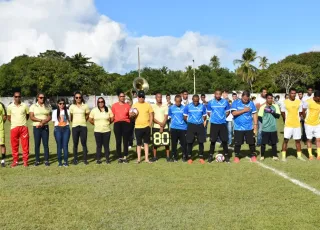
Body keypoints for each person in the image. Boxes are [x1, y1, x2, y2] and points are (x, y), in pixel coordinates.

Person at [231, 91, 258, 163]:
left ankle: (253, 155)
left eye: (247, 99)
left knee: (251, 142)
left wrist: (255, 125)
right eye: (244, 99)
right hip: (238, 128)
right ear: (241, 97)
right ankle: (237, 156)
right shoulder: (236, 103)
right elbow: (233, 113)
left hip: (249, 127)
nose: (245, 101)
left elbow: (254, 114)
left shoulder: (251, 103)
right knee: (238, 143)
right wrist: (244, 110)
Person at [207, 89, 230, 163]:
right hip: (214, 124)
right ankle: (210, 156)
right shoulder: (210, 102)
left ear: (221, 94)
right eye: (216, 94)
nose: (218, 95)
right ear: (214, 94)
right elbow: (209, 112)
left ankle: (226, 156)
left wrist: (222, 117)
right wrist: (214, 118)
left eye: (219, 94)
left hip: (223, 124)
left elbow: (228, 111)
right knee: (213, 141)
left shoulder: (225, 102)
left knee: (224, 141)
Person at [281, 88, 304, 161]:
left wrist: (297, 119)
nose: (293, 95)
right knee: (285, 140)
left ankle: (299, 156)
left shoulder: (299, 102)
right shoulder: (284, 102)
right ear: (289, 94)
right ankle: (283, 156)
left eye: (294, 93)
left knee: (298, 141)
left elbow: (300, 113)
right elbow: (283, 113)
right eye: (292, 93)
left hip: (297, 125)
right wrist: (286, 120)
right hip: (288, 125)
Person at [7, 92, 29, 167]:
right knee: (14, 146)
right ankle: (15, 161)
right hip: (14, 128)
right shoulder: (10, 107)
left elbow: (27, 115)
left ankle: (25, 161)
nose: (17, 98)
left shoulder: (25, 105)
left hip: (23, 127)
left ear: (21, 97)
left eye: (19, 96)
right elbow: (9, 117)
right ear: (13, 97)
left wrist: (22, 123)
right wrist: (15, 122)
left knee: (25, 145)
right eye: (16, 96)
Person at [131, 91, 154, 163]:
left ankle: (146, 159)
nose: (141, 98)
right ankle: (138, 159)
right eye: (140, 97)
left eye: (142, 97)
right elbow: (130, 115)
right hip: (138, 127)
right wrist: (132, 115)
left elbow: (151, 115)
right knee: (138, 144)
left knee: (146, 143)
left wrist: (150, 124)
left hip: (146, 127)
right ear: (137, 97)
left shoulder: (148, 105)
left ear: (144, 97)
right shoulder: (134, 105)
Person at [29, 93, 52, 166]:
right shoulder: (33, 106)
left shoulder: (48, 106)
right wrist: (40, 121)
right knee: (37, 144)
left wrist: (44, 122)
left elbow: (49, 117)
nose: (42, 99)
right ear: (37, 98)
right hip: (37, 127)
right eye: (40, 97)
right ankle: (37, 160)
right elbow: (31, 117)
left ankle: (46, 160)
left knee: (45, 144)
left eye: (43, 97)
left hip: (45, 127)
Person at [89, 97, 114, 164]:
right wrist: (95, 124)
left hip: (106, 131)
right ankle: (98, 159)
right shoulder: (94, 110)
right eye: (99, 102)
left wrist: (108, 123)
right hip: (97, 131)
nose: (101, 103)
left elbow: (112, 118)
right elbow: (90, 119)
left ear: (104, 102)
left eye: (102, 101)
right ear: (97, 103)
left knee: (106, 145)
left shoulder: (108, 109)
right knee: (99, 145)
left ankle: (107, 159)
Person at [183, 94, 207, 164]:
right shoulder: (188, 107)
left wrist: (200, 121)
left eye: (197, 101)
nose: (196, 102)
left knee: (201, 142)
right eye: (194, 101)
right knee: (190, 142)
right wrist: (190, 122)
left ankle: (201, 157)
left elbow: (204, 116)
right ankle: (190, 157)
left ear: (199, 100)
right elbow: (184, 116)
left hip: (200, 126)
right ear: (192, 100)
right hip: (191, 125)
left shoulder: (202, 106)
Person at [69, 92, 90, 165]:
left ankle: (85, 159)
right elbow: (71, 116)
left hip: (83, 126)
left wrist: (84, 120)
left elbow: (87, 115)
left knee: (84, 143)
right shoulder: (72, 106)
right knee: (75, 143)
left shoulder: (85, 106)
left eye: (79, 97)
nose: (78, 99)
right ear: (74, 98)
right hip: (75, 127)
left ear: (82, 98)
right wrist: (74, 122)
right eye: (76, 97)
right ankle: (75, 159)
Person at [258, 93, 280, 161]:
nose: (270, 99)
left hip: (273, 128)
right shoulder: (262, 107)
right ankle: (262, 156)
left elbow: (278, 116)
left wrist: (272, 112)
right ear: (266, 99)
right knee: (263, 143)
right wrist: (265, 123)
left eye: (271, 98)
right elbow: (259, 117)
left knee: (274, 143)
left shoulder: (275, 106)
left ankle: (274, 155)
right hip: (265, 128)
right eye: (268, 98)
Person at [112, 91, 131, 163]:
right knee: (118, 141)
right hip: (117, 124)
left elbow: (130, 116)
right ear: (118, 97)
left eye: (123, 96)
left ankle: (125, 156)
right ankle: (119, 157)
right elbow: (112, 116)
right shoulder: (114, 106)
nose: (122, 98)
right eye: (121, 96)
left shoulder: (128, 106)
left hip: (126, 123)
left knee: (125, 141)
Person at [151, 93, 170, 162]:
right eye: (158, 97)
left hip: (165, 126)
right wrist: (160, 124)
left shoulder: (165, 106)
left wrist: (162, 126)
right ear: (156, 98)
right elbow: (152, 117)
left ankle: (168, 157)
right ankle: (154, 157)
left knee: (166, 142)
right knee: (155, 143)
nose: (159, 98)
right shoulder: (152, 106)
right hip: (155, 126)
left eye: (160, 97)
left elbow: (166, 116)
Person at [168, 95, 187, 162]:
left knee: (183, 143)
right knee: (174, 143)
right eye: (176, 101)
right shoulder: (171, 108)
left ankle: (184, 156)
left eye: (179, 101)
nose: (178, 103)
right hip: (174, 128)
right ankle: (174, 157)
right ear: (174, 101)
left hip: (183, 128)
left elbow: (186, 118)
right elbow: (169, 117)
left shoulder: (184, 108)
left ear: (181, 101)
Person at [52, 98, 71, 167]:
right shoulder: (54, 111)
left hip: (66, 128)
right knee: (59, 146)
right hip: (58, 129)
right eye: (60, 103)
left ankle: (66, 162)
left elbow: (69, 120)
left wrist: (64, 121)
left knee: (65, 146)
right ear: (58, 104)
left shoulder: (68, 111)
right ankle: (60, 162)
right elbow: (54, 122)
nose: (62, 105)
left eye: (63, 103)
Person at [302, 90, 320, 160]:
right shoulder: (308, 102)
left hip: (318, 124)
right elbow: (303, 110)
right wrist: (305, 118)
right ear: (315, 97)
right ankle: (310, 155)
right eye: (318, 98)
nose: (319, 100)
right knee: (309, 139)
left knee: (318, 139)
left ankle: (319, 155)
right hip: (308, 124)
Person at [0, 102, 7, 167]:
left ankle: (3, 161)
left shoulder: (1, 105)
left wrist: (1, 123)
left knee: (2, 144)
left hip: (0, 129)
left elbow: (5, 116)